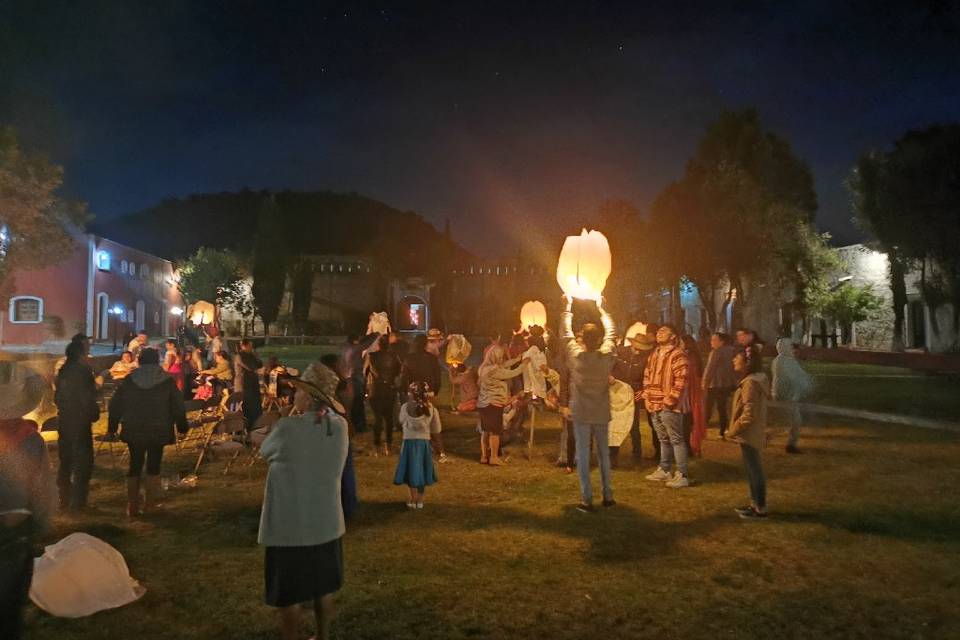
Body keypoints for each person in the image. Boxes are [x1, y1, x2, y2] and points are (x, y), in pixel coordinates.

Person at [258, 369, 350, 640]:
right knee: (323, 587)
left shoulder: (288, 428)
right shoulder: (340, 428)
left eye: (298, 391)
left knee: (289, 592)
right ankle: (322, 635)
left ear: (309, 398)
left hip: (290, 525)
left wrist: (286, 417)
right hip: (326, 521)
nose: (293, 395)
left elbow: (265, 450)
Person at [1, 375, 56, 640]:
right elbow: (41, 487)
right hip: (16, 528)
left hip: (16, 529)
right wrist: (42, 523)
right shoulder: (31, 440)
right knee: (11, 605)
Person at [108, 348, 189, 517]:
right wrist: (182, 426)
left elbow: (115, 404)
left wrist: (112, 426)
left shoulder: (129, 380)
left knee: (135, 463)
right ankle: (150, 503)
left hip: (134, 426)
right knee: (154, 464)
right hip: (158, 427)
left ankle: (132, 504)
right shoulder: (166, 381)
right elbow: (177, 405)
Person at [560, 295, 617, 512]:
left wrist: (567, 306)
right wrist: (604, 309)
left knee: (583, 456)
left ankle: (586, 499)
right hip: (601, 411)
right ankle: (608, 496)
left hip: (582, 412)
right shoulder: (606, 356)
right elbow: (612, 333)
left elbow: (565, 333)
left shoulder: (576, 356)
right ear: (599, 338)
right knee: (604, 455)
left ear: (583, 338)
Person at [642, 324, 692, 489]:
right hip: (654, 404)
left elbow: (682, 379)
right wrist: (647, 398)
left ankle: (682, 474)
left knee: (676, 439)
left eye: (664, 331)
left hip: (670, 405)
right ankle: (665, 469)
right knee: (663, 439)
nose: (659, 333)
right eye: (658, 331)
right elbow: (647, 376)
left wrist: (670, 400)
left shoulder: (678, 355)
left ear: (673, 336)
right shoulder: (654, 354)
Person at [54, 340, 101, 512]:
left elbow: (57, 397)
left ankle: (64, 498)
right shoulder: (83, 371)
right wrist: (93, 412)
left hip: (65, 419)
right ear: (81, 353)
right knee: (83, 461)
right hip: (80, 420)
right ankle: (79, 501)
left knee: (66, 460)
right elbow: (87, 395)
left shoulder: (63, 371)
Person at [729, 345, 770, 520]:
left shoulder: (750, 383)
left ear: (747, 362)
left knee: (755, 470)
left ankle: (759, 508)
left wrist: (733, 430)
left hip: (749, 433)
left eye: (736, 358)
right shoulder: (753, 380)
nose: (733, 361)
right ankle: (755, 504)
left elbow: (749, 414)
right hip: (752, 432)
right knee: (752, 469)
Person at [393, 382, 441, 508]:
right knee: (422, 468)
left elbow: (401, 420)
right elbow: (436, 428)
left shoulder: (405, 407)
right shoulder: (431, 409)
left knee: (410, 469)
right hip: (423, 443)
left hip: (408, 442)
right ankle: (420, 499)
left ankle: (412, 497)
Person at [400, 334, 448, 462]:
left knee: (415, 421)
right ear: (425, 344)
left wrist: (406, 391)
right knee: (431, 419)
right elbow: (437, 376)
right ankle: (438, 449)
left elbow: (405, 377)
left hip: (414, 392)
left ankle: (422, 448)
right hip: (429, 392)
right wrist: (435, 390)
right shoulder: (432, 359)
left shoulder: (409, 358)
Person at [612, 327, 655, 465]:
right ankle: (612, 456)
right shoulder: (620, 353)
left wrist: (643, 391)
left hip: (633, 394)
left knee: (634, 425)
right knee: (615, 424)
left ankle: (637, 454)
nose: (639, 350)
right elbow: (610, 367)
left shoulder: (646, 358)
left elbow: (648, 376)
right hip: (617, 393)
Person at [477, 344, 524, 465]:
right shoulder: (495, 371)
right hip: (493, 404)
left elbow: (503, 366)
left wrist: (516, 360)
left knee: (485, 431)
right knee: (495, 432)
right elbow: (512, 373)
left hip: (483, 404)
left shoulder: (483, 368)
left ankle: (484, 456)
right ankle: (493, 458)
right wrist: (525, 364)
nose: (501, 359)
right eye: (500, 357)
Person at [771, 337, 813, 454]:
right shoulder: (783, 361)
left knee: (791, 421)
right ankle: (789, 445)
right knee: (793, 421)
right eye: (790, 346)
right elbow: (791, 379)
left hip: (787, 395)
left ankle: (789, 443)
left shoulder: (785, 360)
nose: (792, 349)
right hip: (785, 396)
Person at [367, 334, 402, 455]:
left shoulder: (372, 356)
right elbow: (399, 370)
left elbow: (368, 372)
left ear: (379, 345)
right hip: (390, 389)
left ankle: (377, 447)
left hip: (377, 389)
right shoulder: (394, 356)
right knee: (389, 418)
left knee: (378, 418)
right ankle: (388, 446)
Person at [339, 333, 380, 434]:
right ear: (355, 340)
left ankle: (355, 423)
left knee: (353, 402)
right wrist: (377, 335)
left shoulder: (346, 348)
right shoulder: (355, 348)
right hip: (355, 376)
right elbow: (366, 345)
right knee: (358, 401)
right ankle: (360, 425)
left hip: (348, 376)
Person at [702, 332, 736, 439]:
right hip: (727, 384)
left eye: (714, 340)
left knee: (708, 406)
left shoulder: (716, 352)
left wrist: (704, 382)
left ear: (721, 342)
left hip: (715, 384)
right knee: (722, 407)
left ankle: (702, 428)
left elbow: (710, 368)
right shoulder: (732, 351)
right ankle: (723, 429)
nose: (711, 342)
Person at [680, 334, 707, 457]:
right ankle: (692, 447)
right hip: (694, 392)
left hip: (689, 393)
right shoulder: (694, 356)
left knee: (688, 421)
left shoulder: (688, 357)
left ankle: (690, 447)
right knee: (691, 420)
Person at [235, 339, 264, 430]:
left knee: (256, 405)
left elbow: (259, 364)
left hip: (253, 383)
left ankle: (258, 424)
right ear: (244, 345)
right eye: (250, 346)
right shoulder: (240, 356)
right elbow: (250, 367)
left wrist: (257, 357)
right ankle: (248, 427)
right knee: (248, 406)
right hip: (244, 383)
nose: (251, 348)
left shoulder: (251, 355)